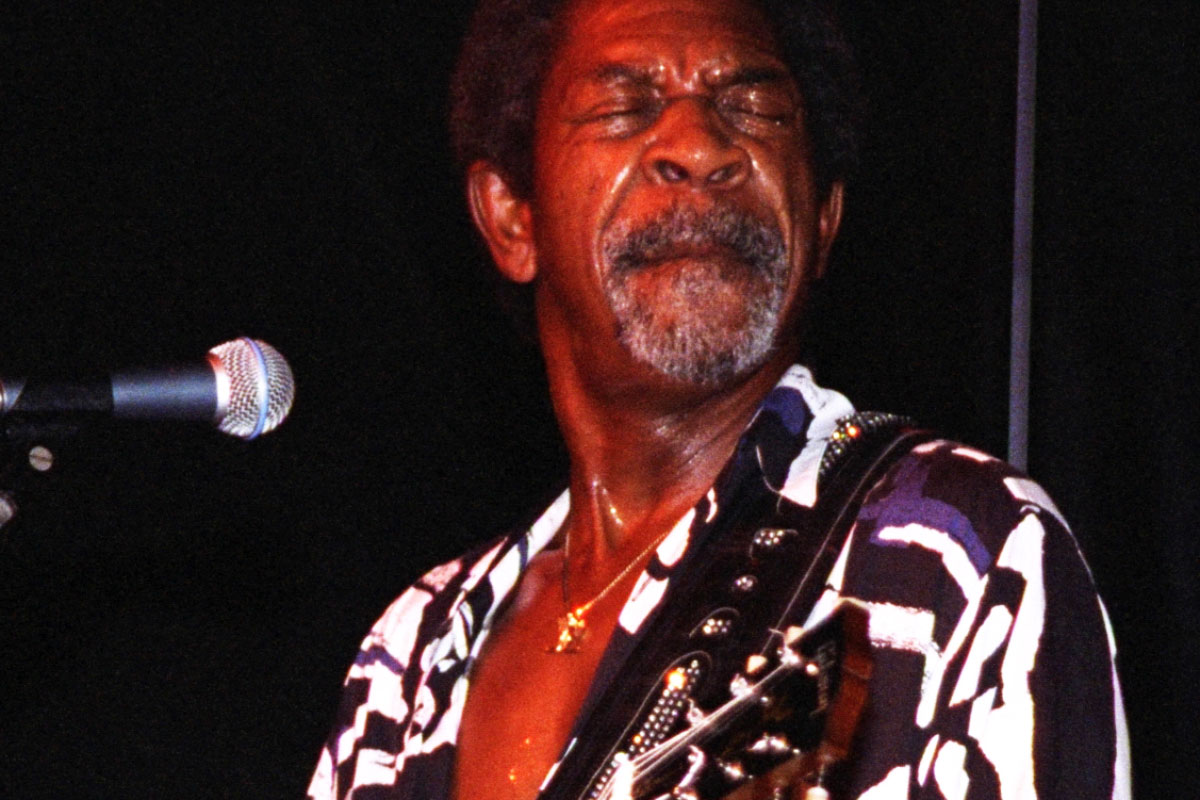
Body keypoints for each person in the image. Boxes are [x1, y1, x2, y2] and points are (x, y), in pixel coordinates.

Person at [308, 0, 1131, 797]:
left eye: (753, 108)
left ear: (823, 217)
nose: (700, 147)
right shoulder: (411, 657)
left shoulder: (950, 554)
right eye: (624, 107)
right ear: (511, 219)